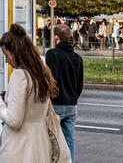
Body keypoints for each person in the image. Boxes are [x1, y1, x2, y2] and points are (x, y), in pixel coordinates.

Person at [0, 24, 66, 163]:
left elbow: (14, 121)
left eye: (6, 54)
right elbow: (32, 105)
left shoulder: (19, 75)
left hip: (19, 148)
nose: (6, 59)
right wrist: (8, 97)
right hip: (40, 145)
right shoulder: (40, 72)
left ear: (15, 52)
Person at [45, 24, 83, 163]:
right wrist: (73, 98)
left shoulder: (52, 54)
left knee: (50, 140)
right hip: (72, 105)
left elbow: (51, 79)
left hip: (56, 104)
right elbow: (80, 84)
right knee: (69, 141)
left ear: (56, 37)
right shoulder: (78, 58)